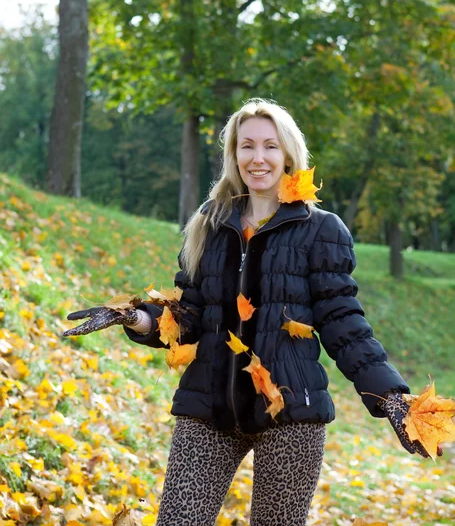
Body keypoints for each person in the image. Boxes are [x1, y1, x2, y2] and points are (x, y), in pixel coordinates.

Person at [67, 98, 430, 526]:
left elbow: (342, 321)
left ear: (288, 154)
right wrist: (136, 318)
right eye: (247, 146)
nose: (258, 158)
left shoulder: (321, 230)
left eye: (270, 147)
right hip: (208, 405)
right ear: (233, 154)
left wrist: (391, 396)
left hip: (292, 412)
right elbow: (189, 314)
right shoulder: (210, 222)